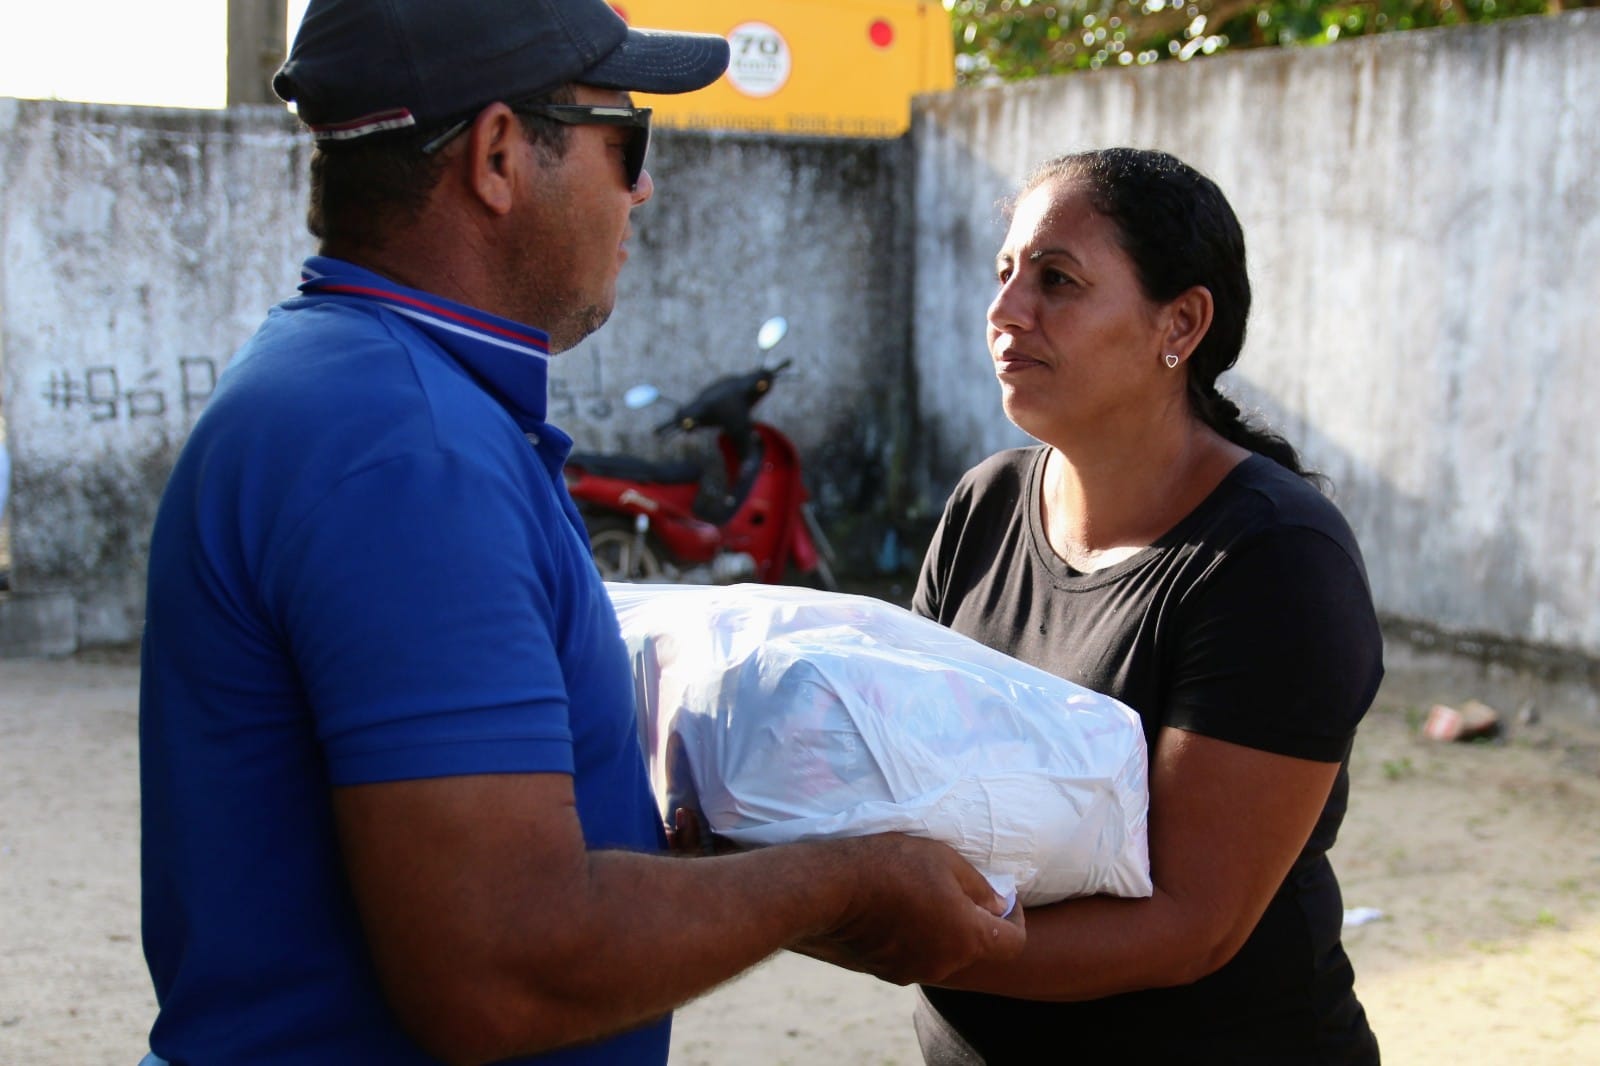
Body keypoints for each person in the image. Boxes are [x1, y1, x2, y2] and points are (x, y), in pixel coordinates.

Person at [136, 2, 1023, 1064]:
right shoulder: (409, 448)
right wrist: (850, 877)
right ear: (500, 154)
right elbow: (504, 969)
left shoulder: (364, 391)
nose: (641, 185)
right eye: (624, 138)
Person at [910, 147, 1384, 1064]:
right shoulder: (986, 505)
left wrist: (908, 936)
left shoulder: (1274, 559)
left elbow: (1190, 924)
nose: (1006, 312)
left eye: (1057, 280)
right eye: (1005, 273)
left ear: (1183, 322)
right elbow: (908, 766)